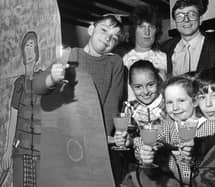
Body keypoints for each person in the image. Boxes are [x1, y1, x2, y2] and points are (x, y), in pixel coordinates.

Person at [32, 15, 124, 186]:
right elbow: (37, 87)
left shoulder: (115, 63)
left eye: (114, 37)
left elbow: (112, 105)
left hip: (94, 142)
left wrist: (100, 142)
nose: (107, 38)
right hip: (62, 137)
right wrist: (52, 78)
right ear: (91, 29)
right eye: (104, 30)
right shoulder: (70, 54)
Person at [137, 76, 215, 186]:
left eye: (181, 100)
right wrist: (144, 152)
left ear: (194, 101)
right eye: (169, 102)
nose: (175, 107)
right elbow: (143, 141)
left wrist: (196, 153)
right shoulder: (168, 127)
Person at [113, 60, 165, 186]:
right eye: (138, 87)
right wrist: (125, 140)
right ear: (131, 86)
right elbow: (128, 136)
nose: (145, 92)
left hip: (164, 165)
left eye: (150, 85)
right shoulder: (129, 107)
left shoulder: (167, 104)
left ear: (158, 81)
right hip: (138, 167)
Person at [1, 31, 41, 186]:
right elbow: (14, 116)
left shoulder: (43, 79)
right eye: (26, 46)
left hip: (39, 150)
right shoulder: (19, 84)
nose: (29, 50)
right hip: (20, 150)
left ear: (37, 51)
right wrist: (8, 151)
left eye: (32, 46)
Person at [161, 0, 215, 76]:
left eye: (191, 15)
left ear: (200, 19)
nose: (186, 20)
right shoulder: (165, 49)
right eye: (179, 16)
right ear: (174, 23)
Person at [123, 5, 167, 101]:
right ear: (134, 30)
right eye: (142, 27)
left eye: (151, 27)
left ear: (156, 31)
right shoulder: (124, 61)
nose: (147, 32)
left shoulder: (165, 58)